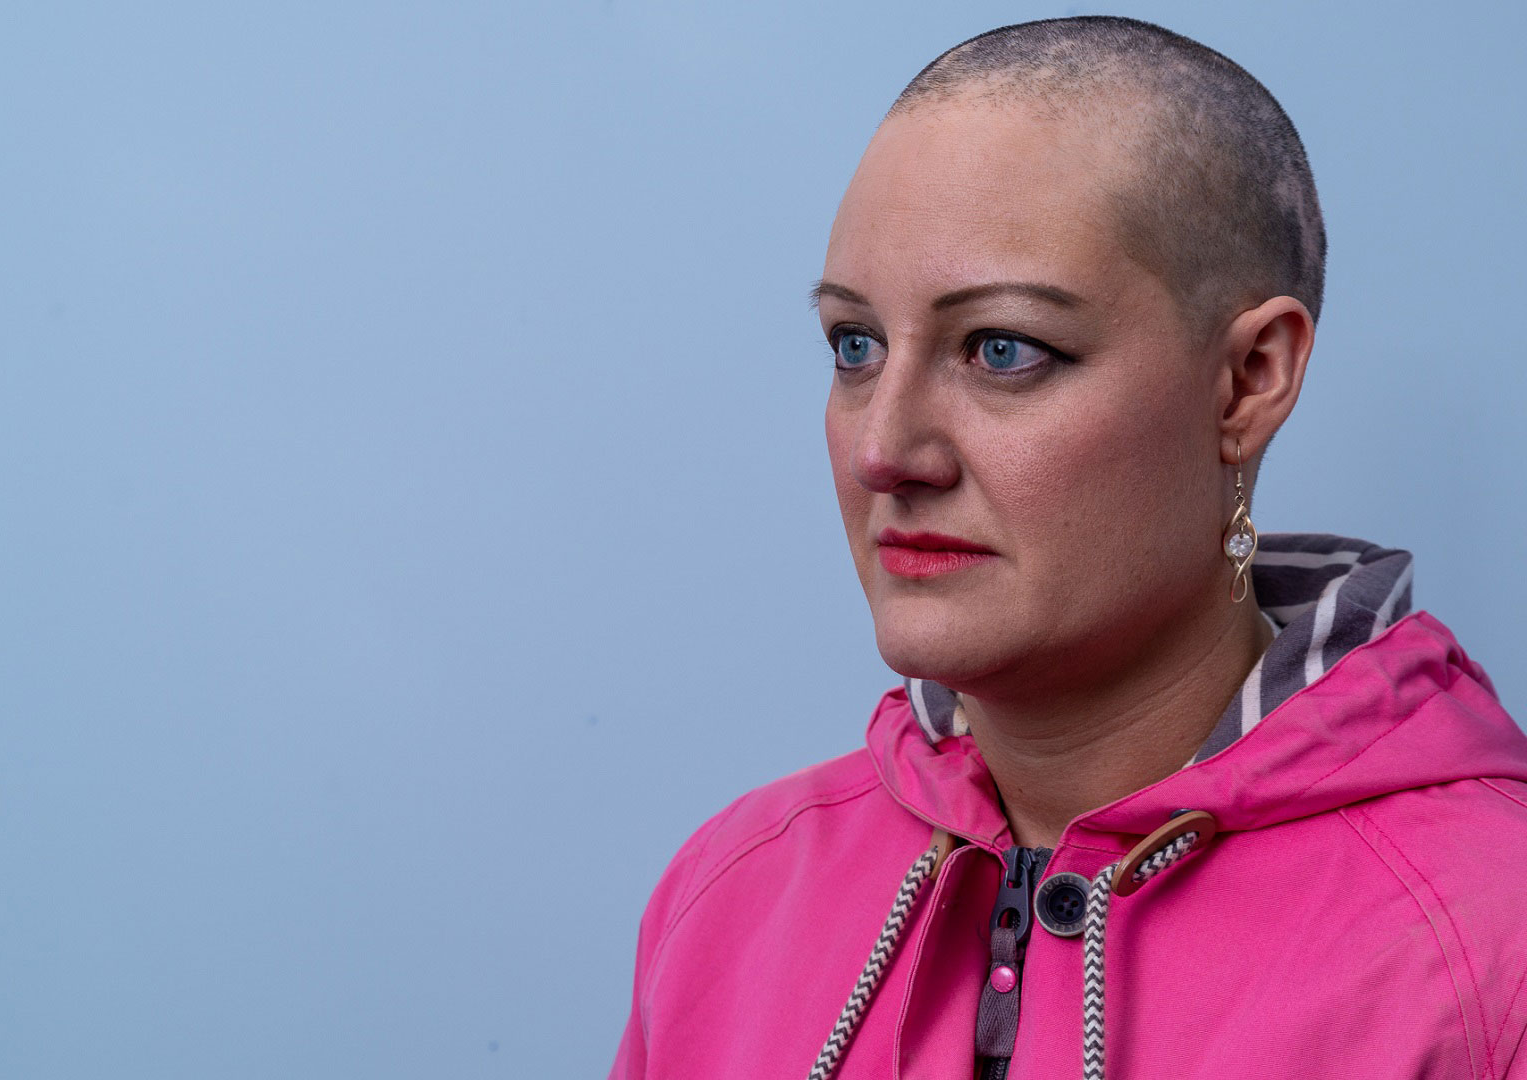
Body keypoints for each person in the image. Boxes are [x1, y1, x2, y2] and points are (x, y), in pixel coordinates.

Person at [607, 16, 1527, 1080]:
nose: (883, 450)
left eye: (1003, 350)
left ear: (1248, 381)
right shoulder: (733, 891)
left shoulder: (1491, 946)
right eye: (854, 346)